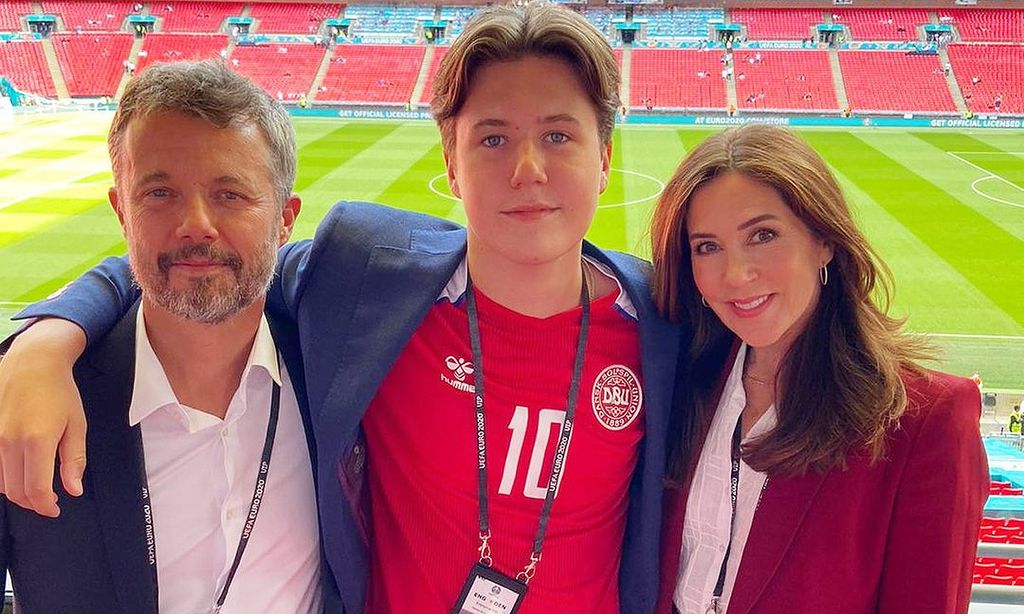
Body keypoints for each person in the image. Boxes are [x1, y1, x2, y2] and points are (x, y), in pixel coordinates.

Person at [0, 4, 680, 613]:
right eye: (493, 138)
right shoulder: (368, 283)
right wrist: (45, 340)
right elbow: (194, 267)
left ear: (605, 157)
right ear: (450, 160)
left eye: (559, 136)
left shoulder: (669, 321)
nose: (528, 168)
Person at [0, 61, 326, 612]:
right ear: (121, 212)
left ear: (285, 219)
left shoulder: (337, 367)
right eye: (159, 193)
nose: (195, 224)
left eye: (230, 195)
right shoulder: (23, 403)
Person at [648, 124, 987, 614]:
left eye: (762, 235)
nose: (736, 275)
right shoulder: (682, 377)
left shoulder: (924, 421)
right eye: (707, 246)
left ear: (824, 240)